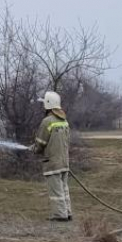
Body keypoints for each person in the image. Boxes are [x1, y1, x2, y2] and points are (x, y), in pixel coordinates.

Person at [29, 91, 72, 222]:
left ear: (48, 105)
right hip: (64, 162)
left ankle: (60, 215)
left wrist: (34, 149)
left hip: (52, 162)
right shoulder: (64, 121)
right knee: (64, 189)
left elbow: (41, 142)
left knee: (56, 191)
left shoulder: (47, 121)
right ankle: (67, 212)